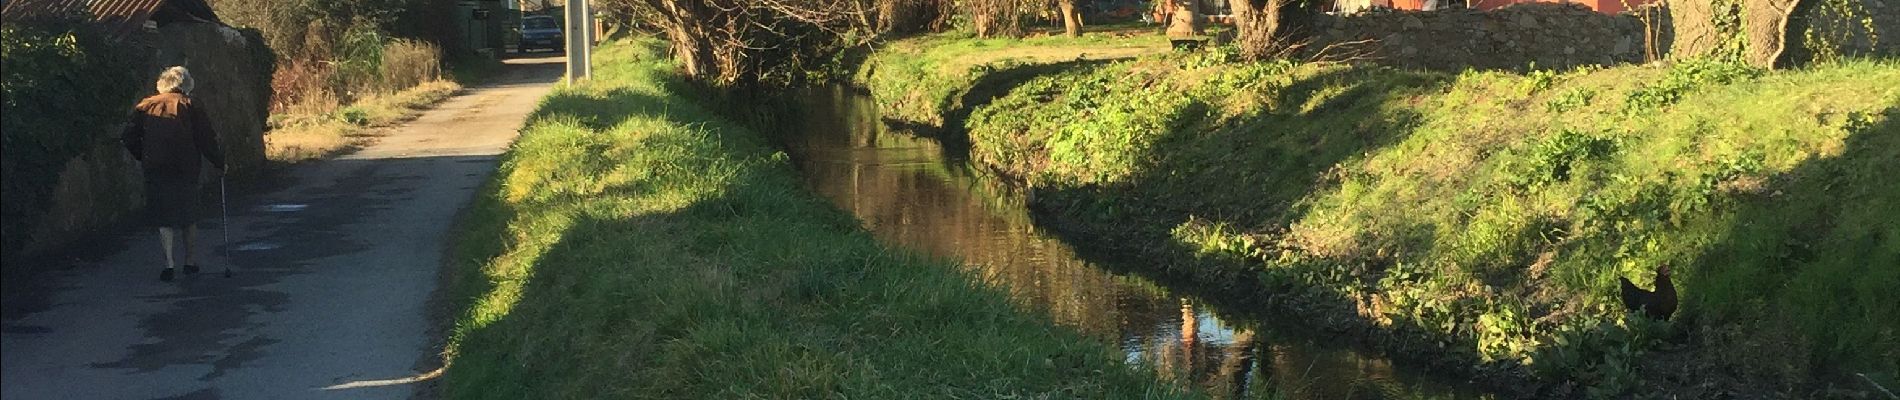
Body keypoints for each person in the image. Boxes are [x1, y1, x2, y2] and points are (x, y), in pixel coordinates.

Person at [121, 66, 224, 282]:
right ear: (186, 84)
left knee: (163, 215)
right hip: (185, 167)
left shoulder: (146, 106)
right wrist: (218, 162)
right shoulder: (190, 104)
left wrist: (143, 155)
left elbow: (129, 136)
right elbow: (206, 137)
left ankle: (168, 263)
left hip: (156, 167)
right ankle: (189, 261)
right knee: (188, 214)